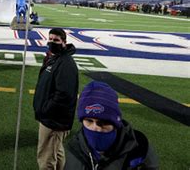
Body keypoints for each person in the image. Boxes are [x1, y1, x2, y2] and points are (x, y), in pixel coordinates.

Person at [65, 81, 159, 169]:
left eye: (103, 122)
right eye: (89, 121)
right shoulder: (72, 150)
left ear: (115, 122)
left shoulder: (139, 148)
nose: (95, 128)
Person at [33, 28, 78, 170]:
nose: (52, 42)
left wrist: (45, 110)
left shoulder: (65, 63)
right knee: (56, 152)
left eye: (56, 40)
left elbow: (63, 94)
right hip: (51, 118)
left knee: (46, 158)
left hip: (53, 119)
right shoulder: (55, 58)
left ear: (64, 42)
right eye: (50, 39)